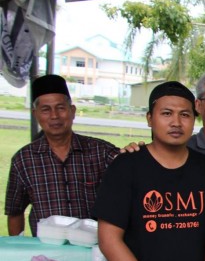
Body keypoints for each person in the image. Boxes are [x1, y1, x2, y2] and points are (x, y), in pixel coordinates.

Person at [95, 81, 205, 261]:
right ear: (149, 118)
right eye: (166, 113)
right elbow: (109, 240)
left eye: (185, 115)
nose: (176, 122)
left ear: (194, 120)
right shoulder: (126, 166)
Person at [5, 74, 119, 236]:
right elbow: (15, 212)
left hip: (94, 246)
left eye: (60, 108)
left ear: (72, 111)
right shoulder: (23, 160)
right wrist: (18, 247)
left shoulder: (101, 151)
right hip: (47, 248)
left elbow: (135, 171)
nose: (54, 116)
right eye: (46, 109)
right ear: (35, 114)